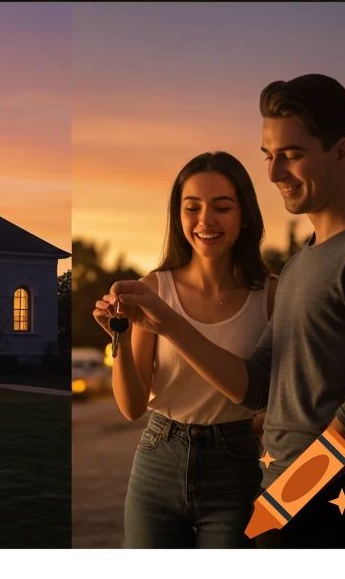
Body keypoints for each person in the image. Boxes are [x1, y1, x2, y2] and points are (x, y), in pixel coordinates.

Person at [104, 75, 345, 549]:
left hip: (323, 505)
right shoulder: (300, 266)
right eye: (269, 155)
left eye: (292, 154)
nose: (274, 172)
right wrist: (164, 323)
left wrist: (287, 499)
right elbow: (254, 385)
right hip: (275, 495)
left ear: (341, 152)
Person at [93, 151, 276, 547]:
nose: (205, 220)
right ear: (178, 216)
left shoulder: (272, 295)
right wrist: (117, 336)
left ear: (245, 215)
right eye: (192, 207)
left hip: (237, 468)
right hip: (158, 459)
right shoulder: (154, 289)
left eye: (222, 207)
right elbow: (132, 407)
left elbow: (268, 394)